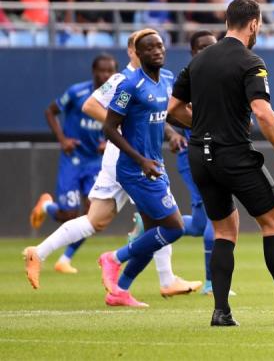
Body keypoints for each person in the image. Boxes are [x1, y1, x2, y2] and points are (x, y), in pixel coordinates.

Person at [168, 0, 274, 326]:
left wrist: (205, 126)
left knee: (224, 230)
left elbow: (173, 109)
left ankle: (221, 311)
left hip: (200, 155)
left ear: (227, 21)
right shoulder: (250, 61)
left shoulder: (198, 62)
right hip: (233, 154)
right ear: (254, 24)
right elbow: (262, 112)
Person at [23, 32, 200, 298]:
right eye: (144, 46)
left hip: (139, 157)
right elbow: (89, 105)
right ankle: (152, 275)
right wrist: (123, 126)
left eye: (159, 45)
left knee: (101, 221)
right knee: (162, 220)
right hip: (125, 158)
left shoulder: (161, 78)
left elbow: (159, 113)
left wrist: (173, 132)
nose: (155, 50)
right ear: (132, 51)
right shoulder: (121, 80)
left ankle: (40, 253)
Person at [96, 29, 187, 308]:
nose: (156, 51)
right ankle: (113, 258)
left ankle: (119, 291)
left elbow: (172, 115)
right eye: (149, 48)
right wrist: (140, 160)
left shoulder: (168, 79)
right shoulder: (129, 85)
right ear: (137, 54)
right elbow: (109, 128)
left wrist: (202, 125)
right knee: (175, 228)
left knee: (153, 236)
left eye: (159, 46)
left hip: (155, 165)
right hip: (136, 169)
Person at [27, 54, 115, 274]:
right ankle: (46, 206)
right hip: (74, 159)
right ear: (93, 72)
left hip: (96, 163)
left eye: (110, 71)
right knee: (68, 214)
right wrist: (62, 139)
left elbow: (120, 124)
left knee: (92, 215)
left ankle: (65, 259)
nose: (106, 75)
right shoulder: (77, 92)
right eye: (102, 71)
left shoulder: (116, 97)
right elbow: (50, 111)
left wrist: (109, 142)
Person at [172, 30, 223, 295]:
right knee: (217, 217)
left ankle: (151, 224)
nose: (207, 51)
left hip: (217, 152)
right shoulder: (187, 78)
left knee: (199, 225)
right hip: (196, 157)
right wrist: (174, 134)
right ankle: (212, 283)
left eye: (211, 46)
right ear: (192, 52)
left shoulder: (220, 75)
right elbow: (167, 111)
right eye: (201, 47)